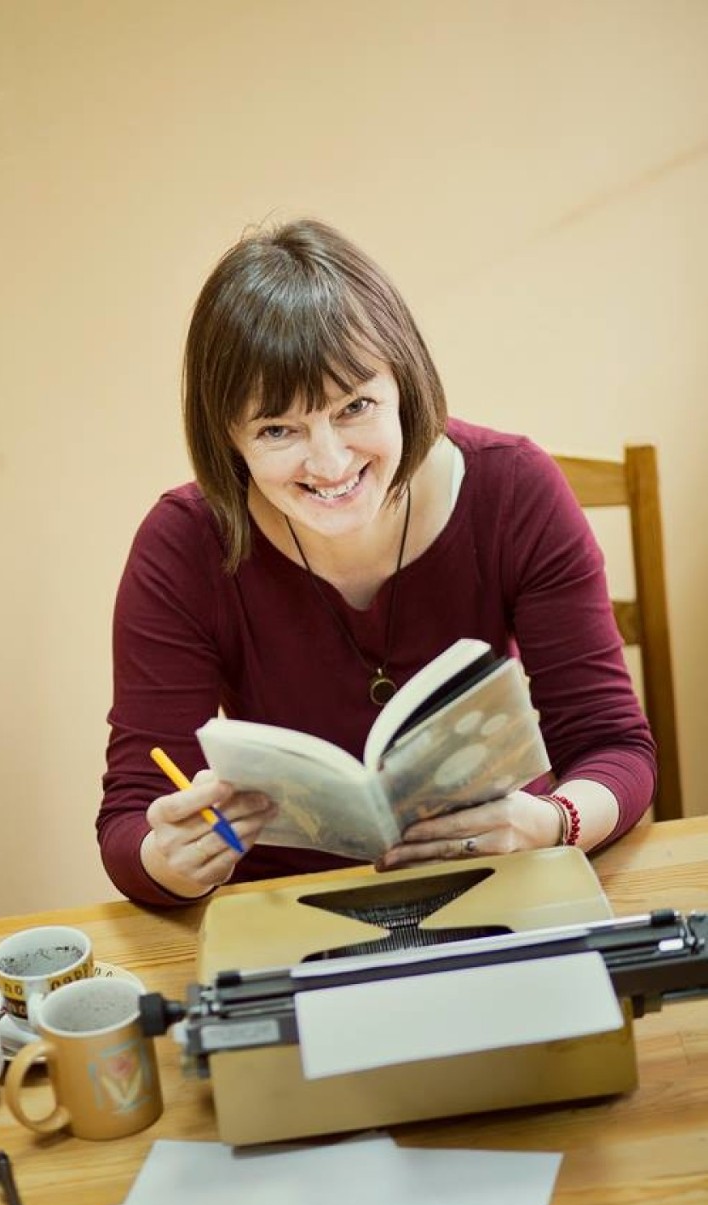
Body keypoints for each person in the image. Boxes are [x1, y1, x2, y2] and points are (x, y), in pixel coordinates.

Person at [97, 218, 656, 908]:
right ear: (229, 439)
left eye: (355, 406)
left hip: (504, 879)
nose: (330, 463)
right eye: (278, 429)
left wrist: (554, 821)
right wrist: (172, 860)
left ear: (405, 386)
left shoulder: (514, 489)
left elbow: (615, 746)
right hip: (293, 909)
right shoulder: (182, 546)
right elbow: (133, 814)